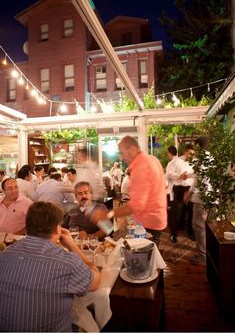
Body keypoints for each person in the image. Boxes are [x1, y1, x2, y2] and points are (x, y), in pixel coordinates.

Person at [0, 201, 101, 332]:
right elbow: (96, 282)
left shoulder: (4, 255)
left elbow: (108, 229)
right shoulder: (72, 213)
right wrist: (73, 245)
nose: (83, 196)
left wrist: (89, 236)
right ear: (58, 228)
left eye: (85, 192)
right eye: (80, 193)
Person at [91, 136, 167, 245]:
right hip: (156, 218)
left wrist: (107, 214)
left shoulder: (140, 167)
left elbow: (136, 205)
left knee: (145, 260)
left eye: (122, 153)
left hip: (148, 223)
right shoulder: (152, 159)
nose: (122, 158)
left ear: (131, 149)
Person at [184, 137, 210, 265]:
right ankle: (205, 253)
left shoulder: (202, 160)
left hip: (201, 198)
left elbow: (199, 181)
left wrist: (189, 194)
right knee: (202, 226)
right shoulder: (210, 158)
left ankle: (203, 256)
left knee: (198, 226)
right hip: (207, 197)